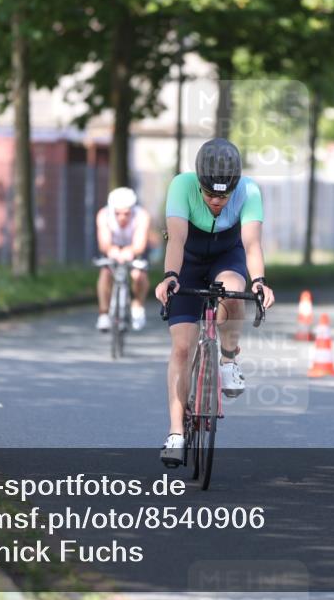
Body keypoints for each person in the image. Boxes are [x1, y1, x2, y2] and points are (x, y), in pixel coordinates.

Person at [154, 138, 275, 465]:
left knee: (234, 289)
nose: (216, 202)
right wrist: (170, 276)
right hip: (188, 260)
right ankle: (176, 433)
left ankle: (228, 359)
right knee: (182, 348)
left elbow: (252, 244)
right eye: (209, 195)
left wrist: (259, 282)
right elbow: (176, 239)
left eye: (224, 196)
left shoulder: (249, 190)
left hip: (226, 255)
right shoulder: (182, 185)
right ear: (199, 183)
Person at [95, 187, 151, 331]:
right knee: (105, 273)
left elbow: (139, 244)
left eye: (126, 213)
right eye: (117, 213)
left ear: (132, 209)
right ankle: (103, 313)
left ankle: (138, 307)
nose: (122, 218)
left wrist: (130, 251)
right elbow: (104, 243)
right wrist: (112, 250)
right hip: (112, 248)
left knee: (139, 276)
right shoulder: (103, 215)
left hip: (134, 249)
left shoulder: (141, 215)